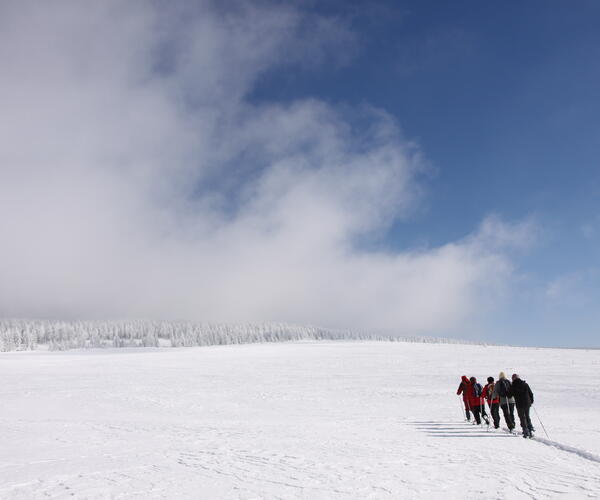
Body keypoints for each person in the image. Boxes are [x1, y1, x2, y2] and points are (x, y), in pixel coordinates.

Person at [511, 373, 535, 438]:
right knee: (527, 416)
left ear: (513, 379)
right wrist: (531, 401)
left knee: (522, 417)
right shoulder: (525, 384)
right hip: (527, 403)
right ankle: (530, 429)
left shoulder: (513, 385)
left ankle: (525, 430)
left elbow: (510, 394)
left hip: (519, 404)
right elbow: (530, 393)